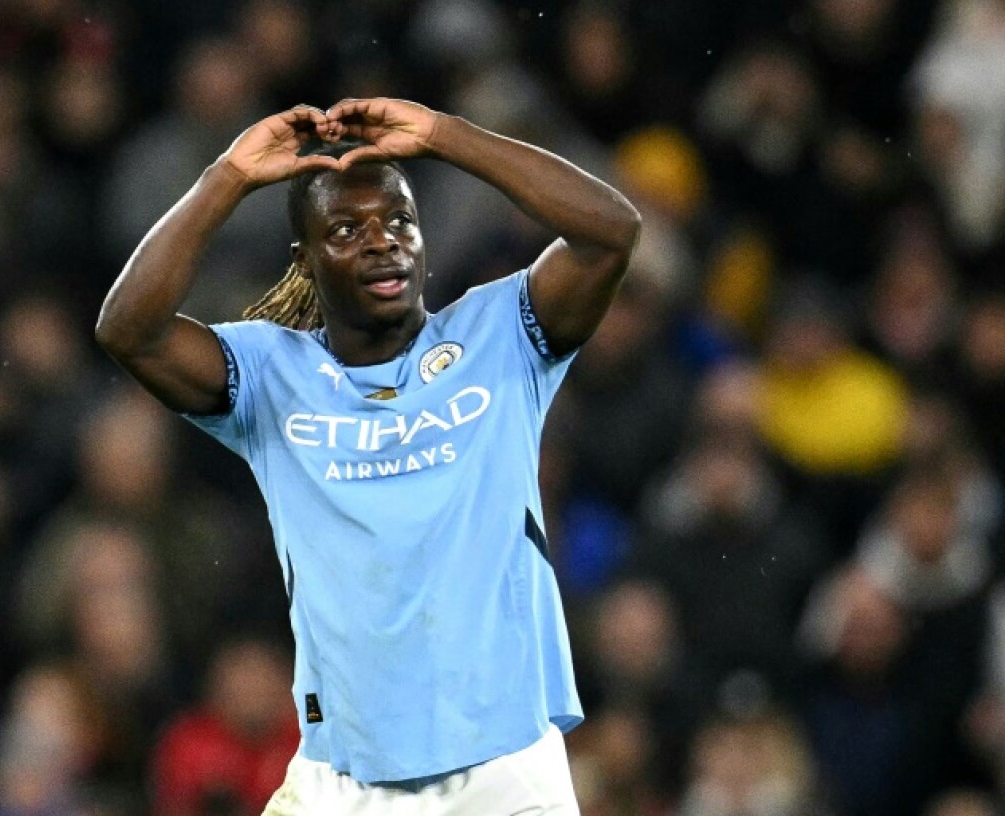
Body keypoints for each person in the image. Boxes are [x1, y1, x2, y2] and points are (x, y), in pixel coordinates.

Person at [95, 97, 641, 814]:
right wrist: (227, 177)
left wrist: (448, 137)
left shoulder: (499, 333)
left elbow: (611, 232)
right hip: (348, 781)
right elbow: (128, 329)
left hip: (506, 770)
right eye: (347, 229)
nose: (383, 241)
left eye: (401, 222)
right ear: (307, 258)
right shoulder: (269, 372)